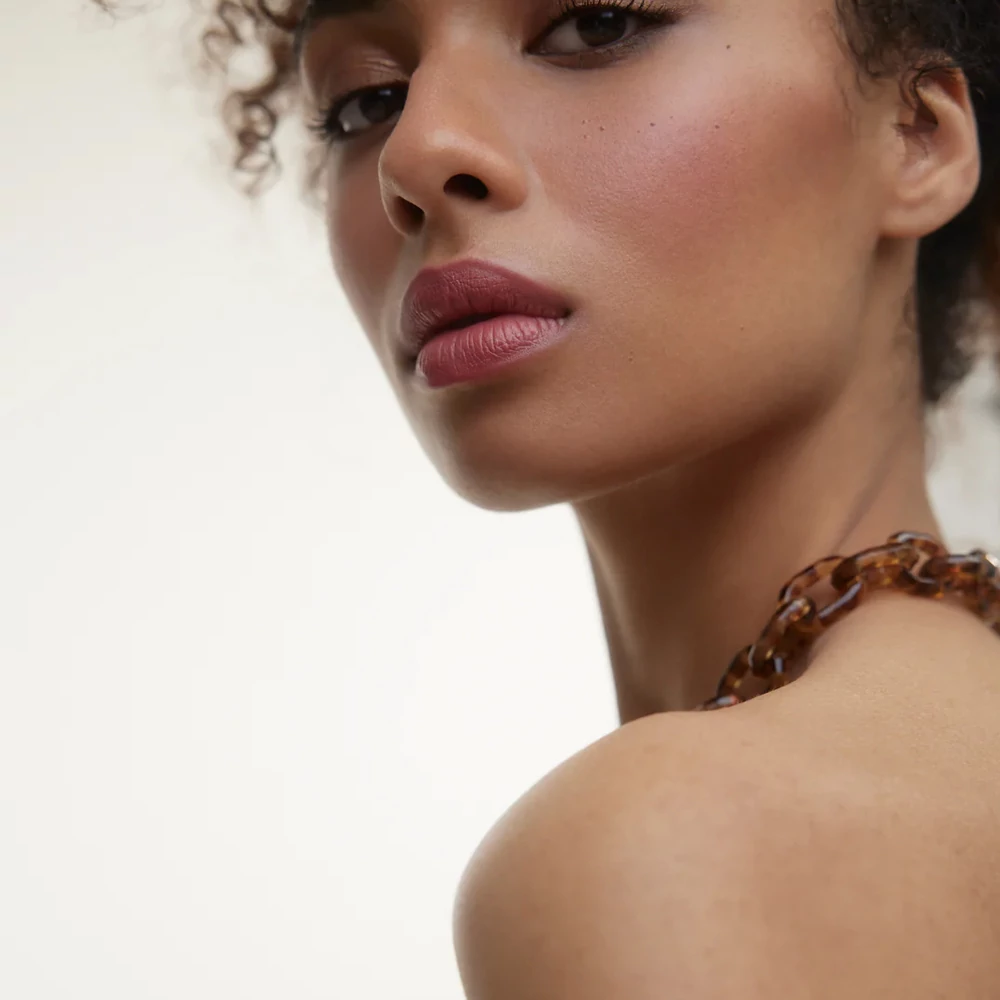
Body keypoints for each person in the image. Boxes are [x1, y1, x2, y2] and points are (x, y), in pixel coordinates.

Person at [96, 0, 1000, 994]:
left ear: (916, 137)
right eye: (366, 102)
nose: (417, 152)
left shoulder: (672, 844)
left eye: (595, 25)